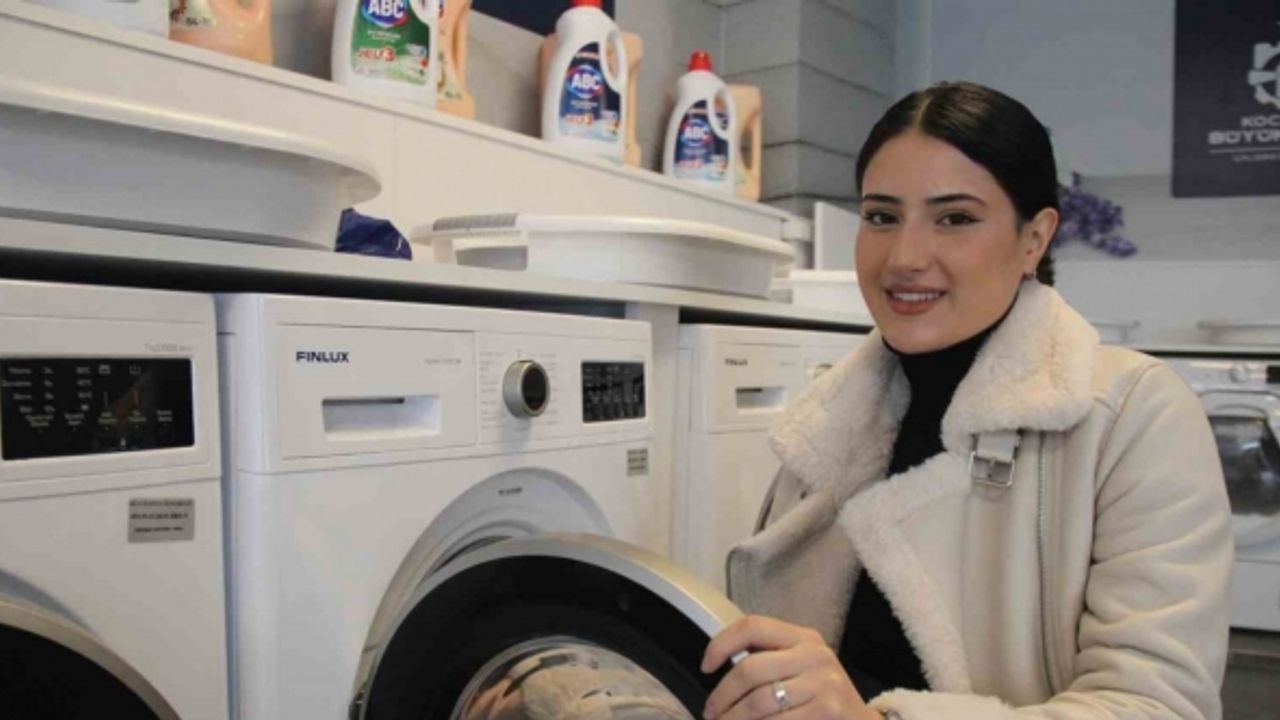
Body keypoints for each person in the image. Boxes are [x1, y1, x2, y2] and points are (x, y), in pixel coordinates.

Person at [699, 82, 1233, 720]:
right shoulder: (830, 420)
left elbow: (1158, 707)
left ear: (1034, 238)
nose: (904, 257)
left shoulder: (1133, 417)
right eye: (881, 217)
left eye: (954, 218)